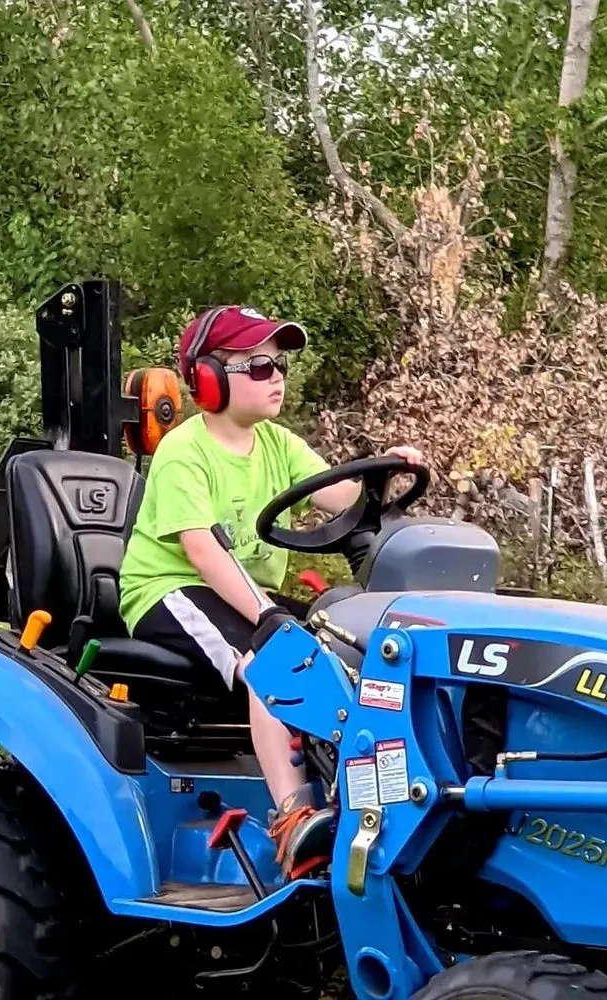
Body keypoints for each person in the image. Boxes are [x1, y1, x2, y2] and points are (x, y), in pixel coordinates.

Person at [118, 305, 424, 875]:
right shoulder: (185, 451)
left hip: (242, 591)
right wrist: (265, 616)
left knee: (352, 648)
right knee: (275, 660)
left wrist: (384, 478)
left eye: (279, 364)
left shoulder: (278, 445)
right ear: (208, 378)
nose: (277, 376)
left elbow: (345, 500)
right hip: (171, 589)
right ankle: (292, 816)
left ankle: (367, 794)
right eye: (258, 365)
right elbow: (201, 550)